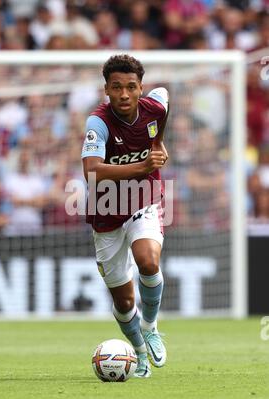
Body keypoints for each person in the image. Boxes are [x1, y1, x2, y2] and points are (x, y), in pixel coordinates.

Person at [81, 54, 169, 378]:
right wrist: (145, 164)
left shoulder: (154, 108)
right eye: (116, 87)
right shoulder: (98, 122)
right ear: (106, 89)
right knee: (123, 299)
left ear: (140, 88)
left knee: (148, 260)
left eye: (131, 87)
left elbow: (165, 101)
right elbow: (91, 172)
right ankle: (140, 352)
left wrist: (158, 142)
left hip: (143, 199)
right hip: (106, 212)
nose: (124, 94)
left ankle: (151, 328)